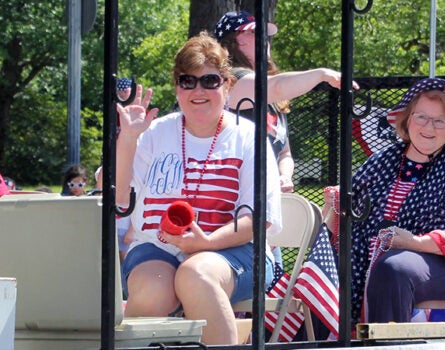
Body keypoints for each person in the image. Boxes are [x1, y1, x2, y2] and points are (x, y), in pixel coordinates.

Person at [115, 32, 282, 345]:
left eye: (209, 80)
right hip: (157, 247)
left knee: (196, 276)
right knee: (153, 292)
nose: (198, 90)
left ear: (227, 85)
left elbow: (259, 220)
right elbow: (120, 199)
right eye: (187, 81)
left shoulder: (248, 137)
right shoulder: (153, 133)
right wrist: (128, 140)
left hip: (234, 250)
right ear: (177, 87)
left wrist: (207, 242)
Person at [336, 78, 445, 325]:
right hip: (370, 258)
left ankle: (387, 346)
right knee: (330, 269)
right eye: (421, 117)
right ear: (408, 118)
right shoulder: (383, 160)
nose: (429, 127)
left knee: (394, 268)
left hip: (443, 267)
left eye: (439, 121)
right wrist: (337, 201)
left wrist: (413, 242)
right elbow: (353, 209)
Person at [214, 10, 358, 193]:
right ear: (236, 41)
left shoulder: (271, 96)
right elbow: (277, 87)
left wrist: (284, 176)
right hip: (232, 194)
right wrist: (321, 74)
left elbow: (284, 152)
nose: (265, 39)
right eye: (254, 32)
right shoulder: (230, 80)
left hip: (264, 195)